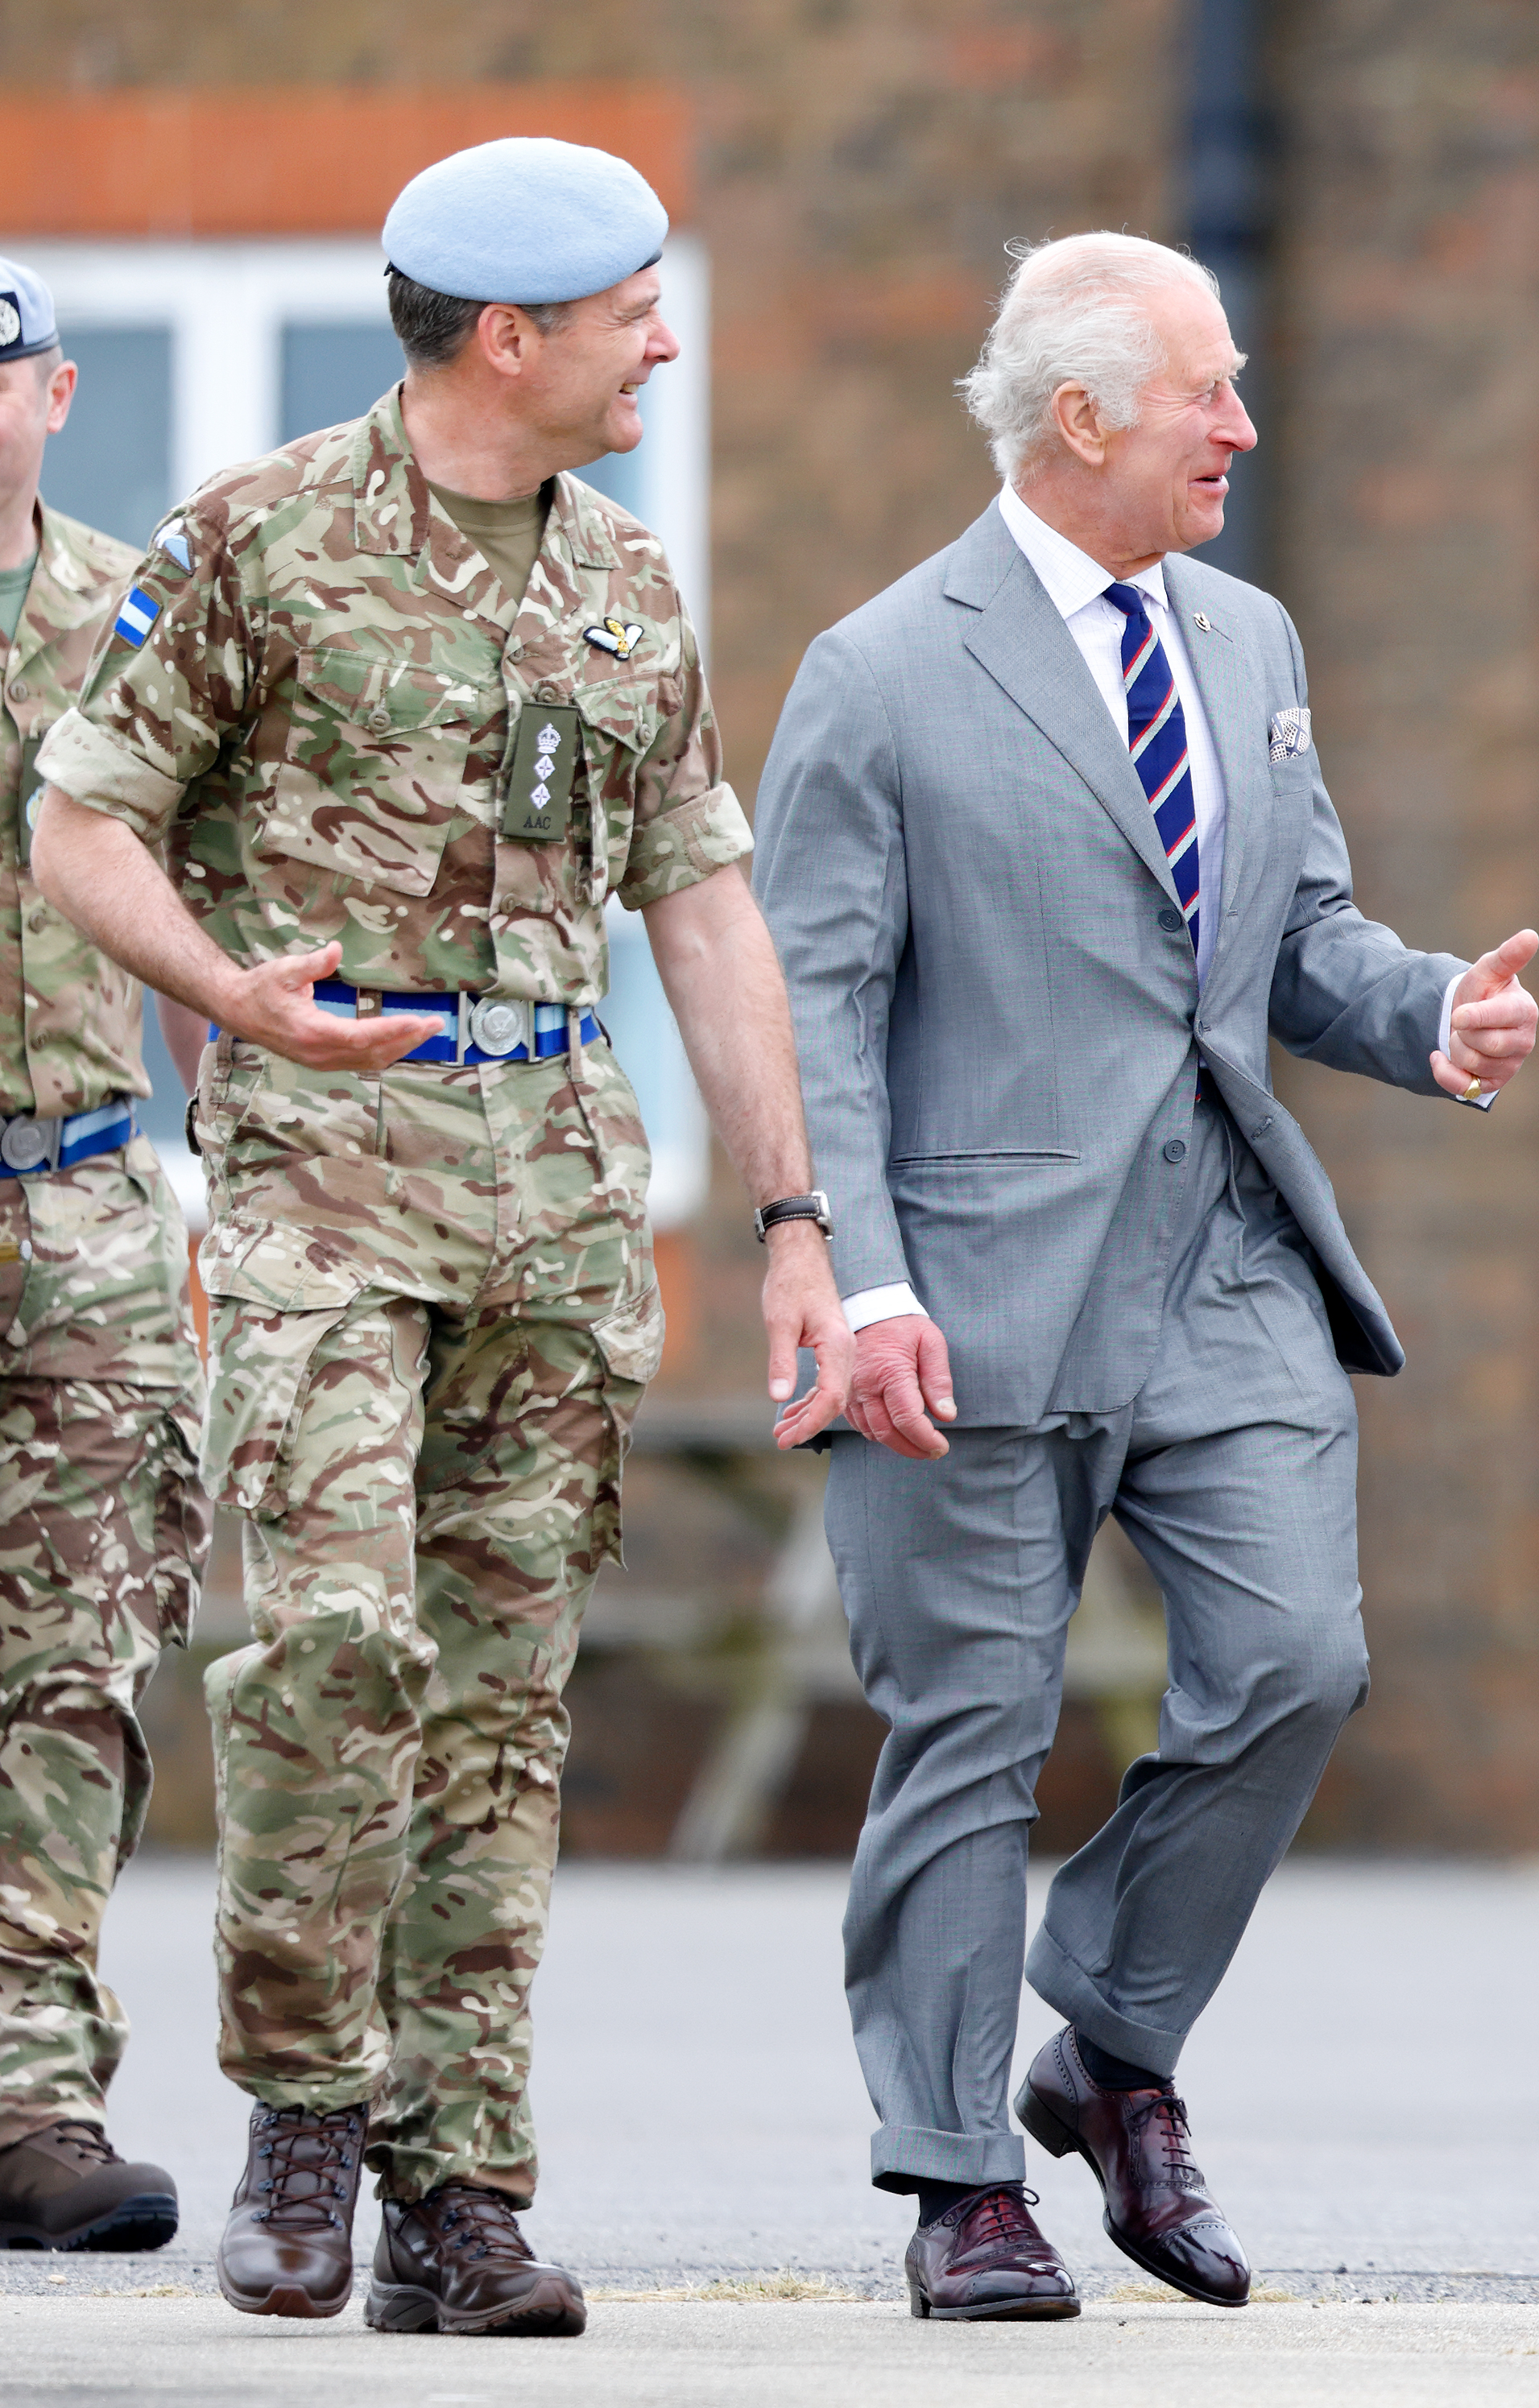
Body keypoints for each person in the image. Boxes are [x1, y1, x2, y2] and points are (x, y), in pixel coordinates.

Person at [31, 139, 851, 2336]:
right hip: (321, 1183)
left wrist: (791, 1218)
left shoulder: (625, 584)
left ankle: (460, 2192)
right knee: (327, 1652)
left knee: (498, 1703)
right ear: (513, 334)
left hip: (557, 1198)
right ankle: (302, 2106)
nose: (660, 341)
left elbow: (703, 904)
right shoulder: (255, 541)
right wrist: (220, 993)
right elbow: (82, 814)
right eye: (631, 312)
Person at [753, 230, 1539, 2323]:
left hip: (1223, 1263)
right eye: (1214, 390)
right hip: (972, 1293)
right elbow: (810, 1011)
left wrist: (1430, 1008)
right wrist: (856, 1273)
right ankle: (954, 2183)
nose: (1245, 428)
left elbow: (1298, 939)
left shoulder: (1252, 636)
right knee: (968, 1734)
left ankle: (1106, 2042)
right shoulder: (882, 670)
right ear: (1084, 413)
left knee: (1296, 1659)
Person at [0, 257, 213, 2254]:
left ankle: (30, 2090)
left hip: (76, 1193)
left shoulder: (140, 618)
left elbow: (216, 912)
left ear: (56, 391)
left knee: (76, 1661)